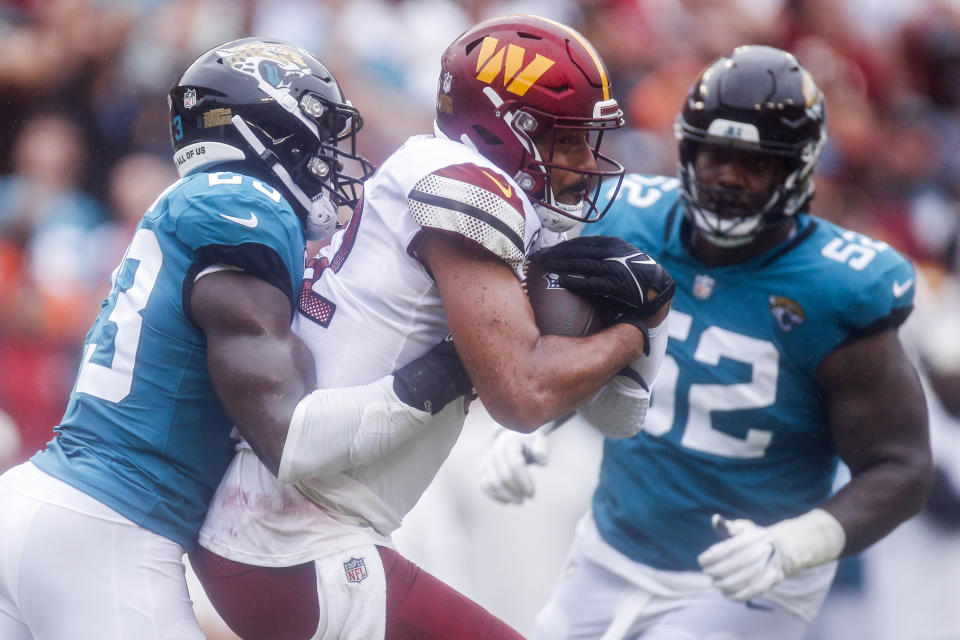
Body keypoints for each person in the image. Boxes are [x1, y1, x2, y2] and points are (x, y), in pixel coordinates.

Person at [190, 14, 674, 640]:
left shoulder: (458, 178)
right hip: (292, 542)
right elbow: (522, 397)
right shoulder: (466, 187)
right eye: (568, 141)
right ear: (511, 131)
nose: (585, 164)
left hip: (295, 534)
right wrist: (637, 331)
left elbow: (622, 416)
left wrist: (648, 329)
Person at [0, 37, 469, 639]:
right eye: (321, 136)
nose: (331, 157)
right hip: (109, 527)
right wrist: (447, 371)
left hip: (46, 503)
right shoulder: (247, 206)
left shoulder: (194, 202)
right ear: (273, 133)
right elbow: (292, 436)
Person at [478, 44, 932, 639]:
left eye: (755, 163)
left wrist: (795, 543)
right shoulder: (628, 223)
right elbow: (579, 350)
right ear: (687, 147)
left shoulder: (836, 287)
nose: (728, 178)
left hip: (746, 574)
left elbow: (901, 466)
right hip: (611, 545)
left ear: (798, 168)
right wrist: (536, 422)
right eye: (715, 155)